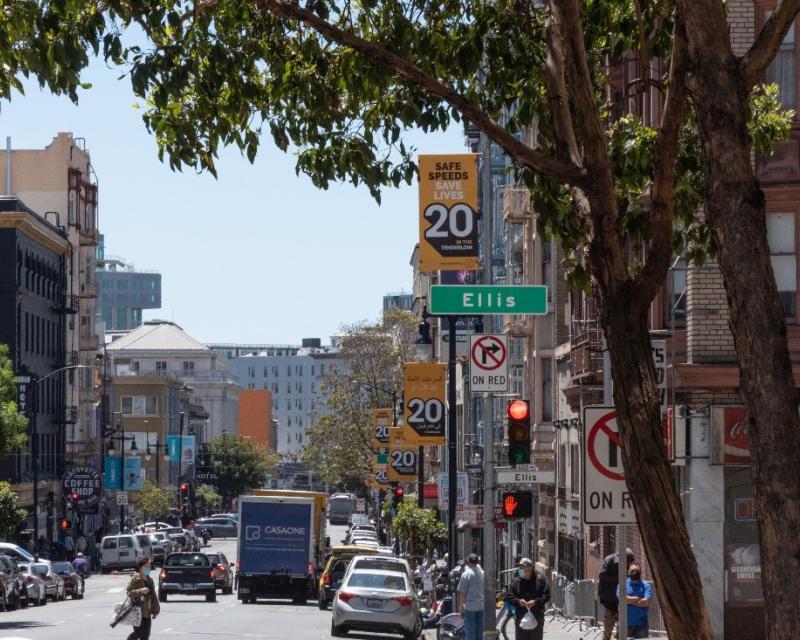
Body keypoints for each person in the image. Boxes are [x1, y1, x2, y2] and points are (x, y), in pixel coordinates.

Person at [505, 558, 550, 640]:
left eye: (522, 568)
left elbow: (546, 595)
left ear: (530, 569)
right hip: (521, 618)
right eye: (519, 568)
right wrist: (518, 601)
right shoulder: (517, 580)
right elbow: (509, 596)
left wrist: (535, 602)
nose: (520, 570)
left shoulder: (539, 579)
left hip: (536, 618)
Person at [598, 549, 635, 640]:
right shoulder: (609, 560)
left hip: (622, 601)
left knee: (623, 629)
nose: (629, 565)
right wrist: (620, 577)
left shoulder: (629, 566)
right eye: (628, 562)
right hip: (609, 599)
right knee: (608, 628)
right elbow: (602, 575)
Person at [126, 558, 160, 640]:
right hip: (137, 610)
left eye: (149, 566)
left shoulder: (150, 580)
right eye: (146, 566)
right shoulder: (135, 579)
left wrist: (155, 610)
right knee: (138, 633)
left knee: (146, 635)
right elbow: (129, 593)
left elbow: (153, 596)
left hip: (147, 611)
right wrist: (140, 591)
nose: (148, 568)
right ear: (140, 567)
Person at [617, 564, 652, 639]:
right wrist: (639, 598)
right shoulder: (622, 585)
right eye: (632, 571)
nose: (635, 572)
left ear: (641, 572)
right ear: (628, 572)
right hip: (624, 625)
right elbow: (622, 599)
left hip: (641, 625)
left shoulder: (646, 586)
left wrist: (629, 600)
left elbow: (646, 602)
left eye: (637, 571)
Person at [456, 553, 484, 640]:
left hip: (470, 607)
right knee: (480, 631)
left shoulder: (466, 575)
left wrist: (461, 607)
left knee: (470, 632)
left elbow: (462, 593)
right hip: (481, 606)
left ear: (468, 562)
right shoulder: (482, 573)